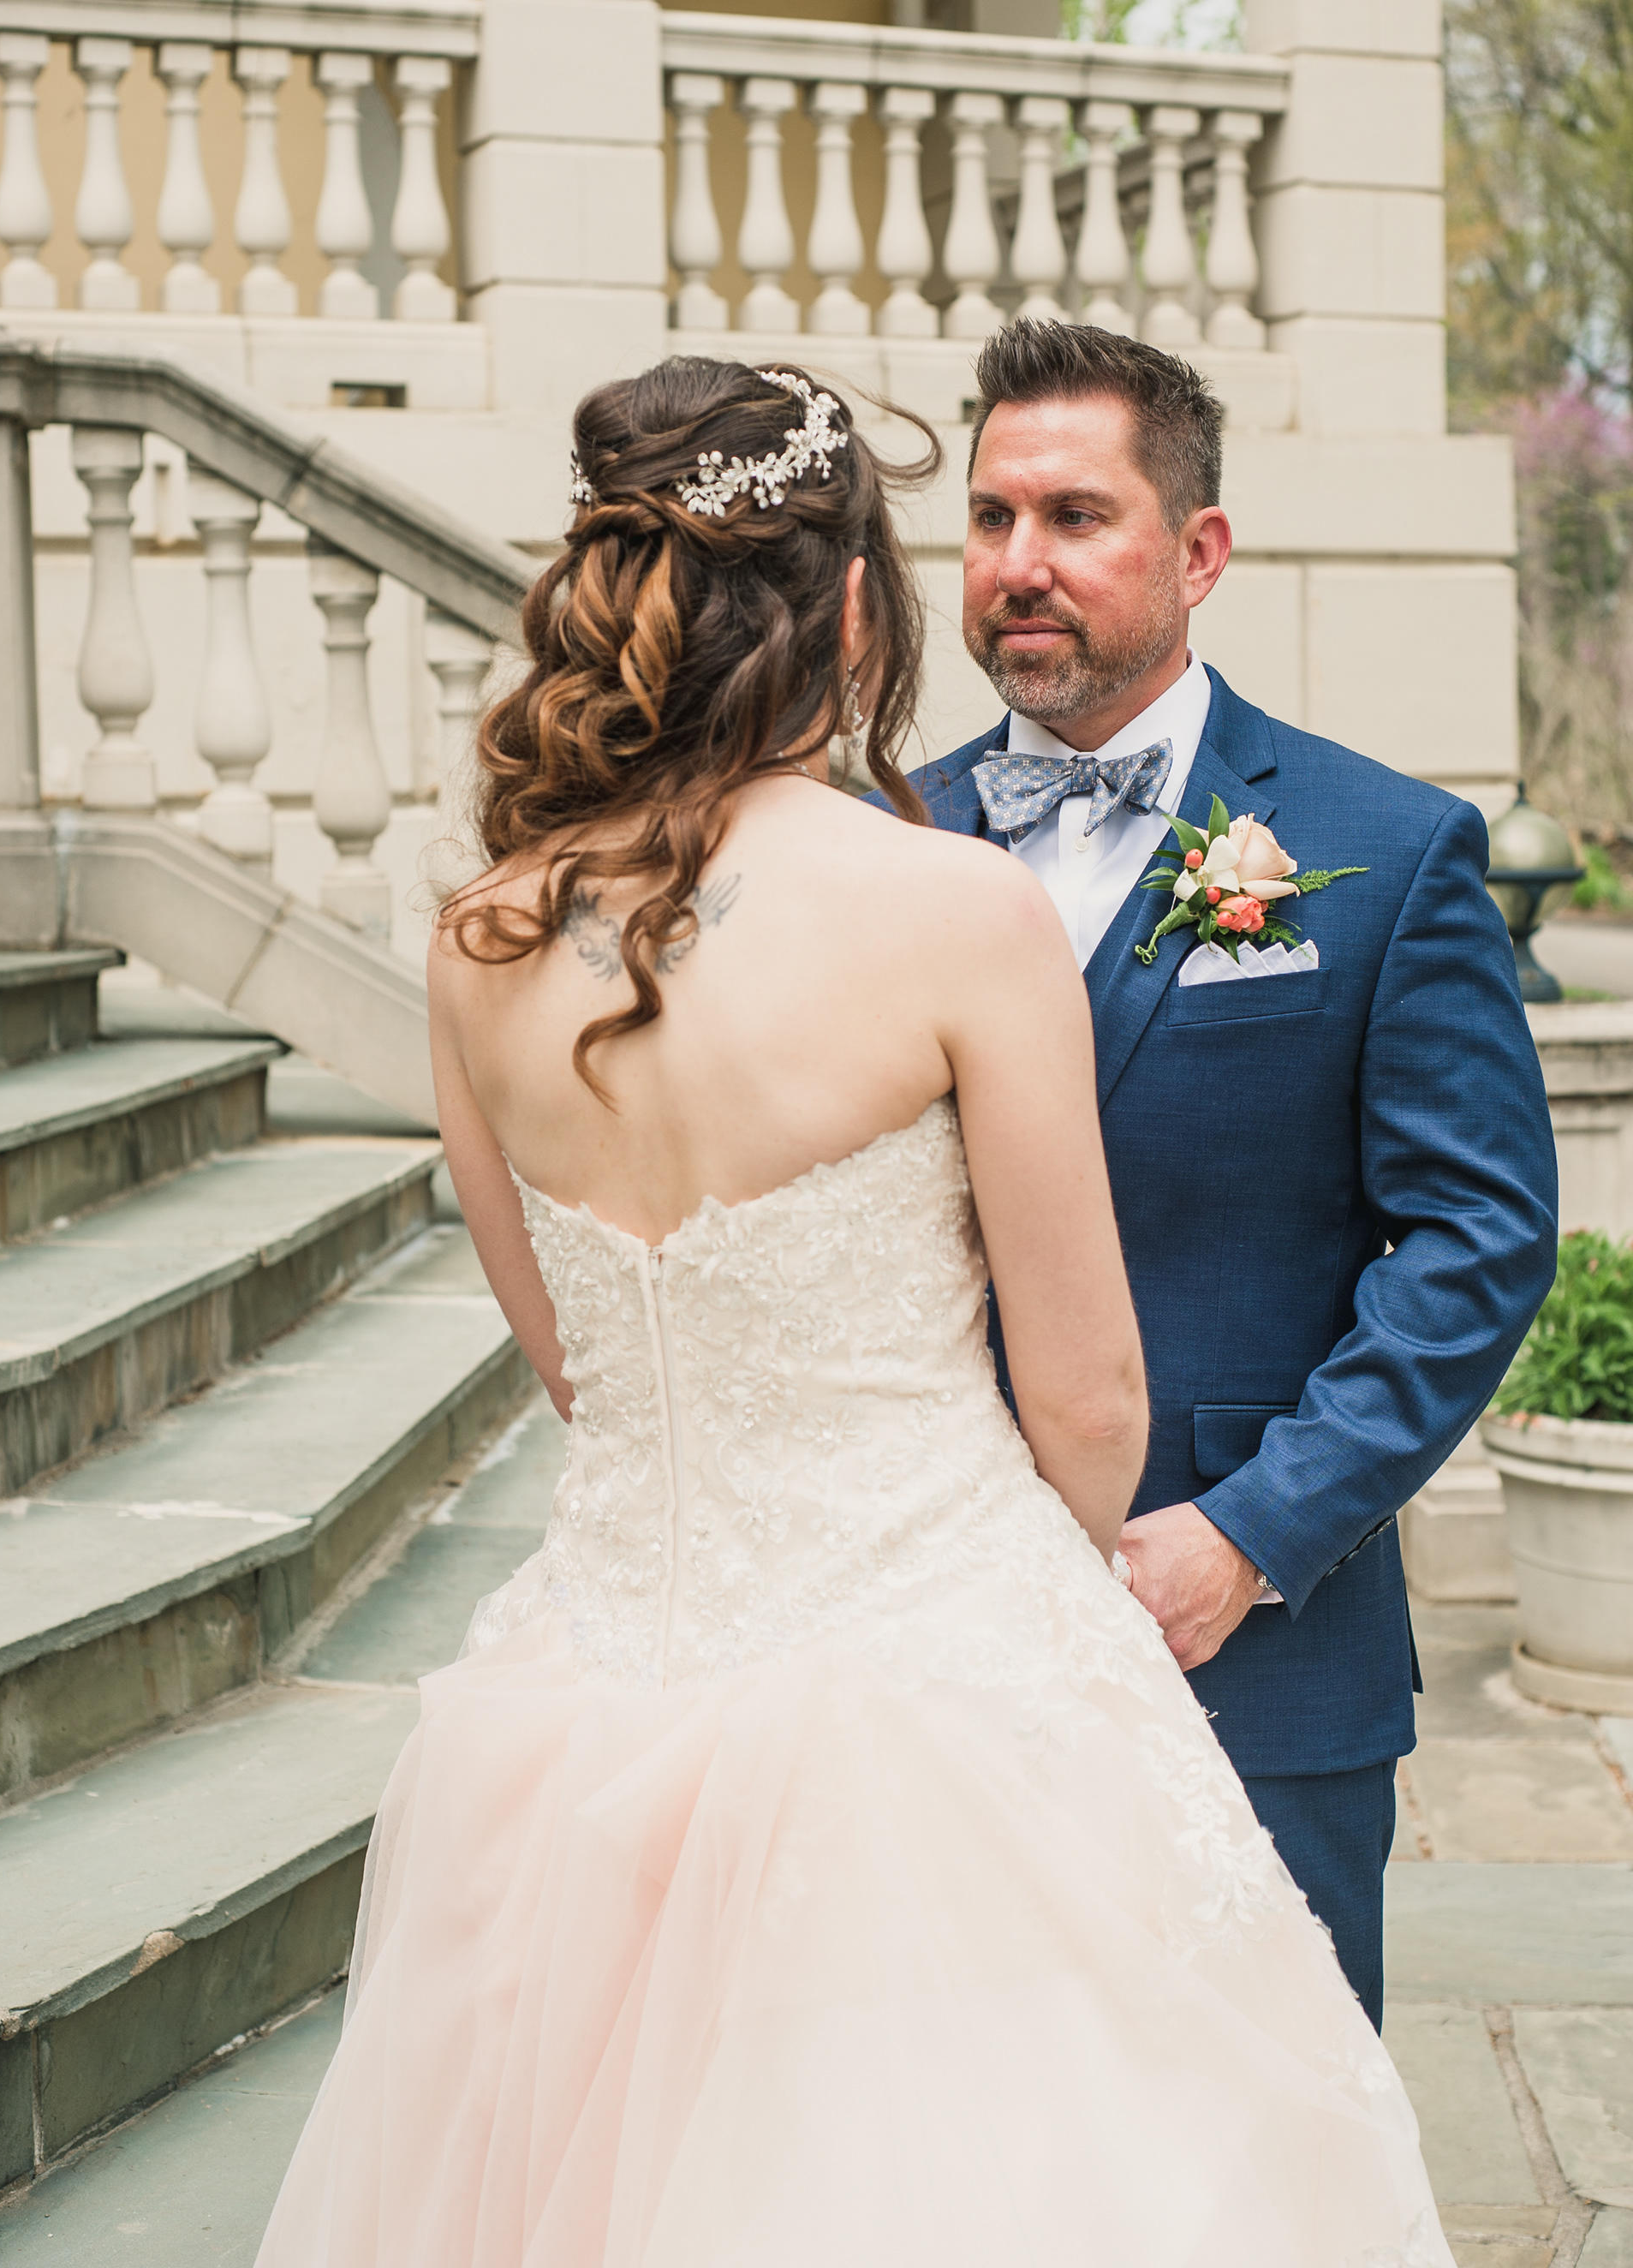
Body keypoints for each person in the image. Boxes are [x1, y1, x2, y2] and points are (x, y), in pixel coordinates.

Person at [255, 355, 1454, 2265]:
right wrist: (1001, 1591)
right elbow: (1091, 1409)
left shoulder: (478, 944)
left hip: (578, 1723)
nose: (1014, 558)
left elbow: (578, 1366)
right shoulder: (949, 903)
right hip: (931, 1700)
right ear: (847, 610)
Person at [898, 318, 1559, 2032]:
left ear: (1198, 554)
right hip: (914, 1642)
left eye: (1074, 517)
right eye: (990, 518)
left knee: (1269, 2126)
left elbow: (1478, 1238)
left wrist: (1252, 1536)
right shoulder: (879, 840)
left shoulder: (1385, 851)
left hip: (1243, 1647)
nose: (1019, 564)